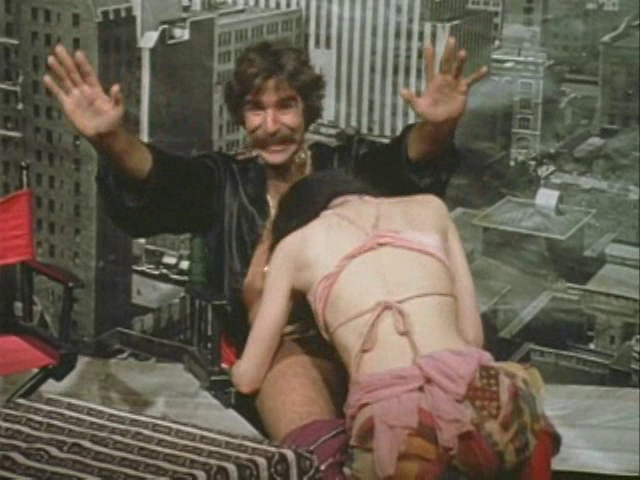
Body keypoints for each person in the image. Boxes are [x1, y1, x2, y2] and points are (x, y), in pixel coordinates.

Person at [43, 37, 488, 474]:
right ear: (241, 116)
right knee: (311, 446)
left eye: (286, 105)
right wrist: (112, 140)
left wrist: (437, 128)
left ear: (307, 109)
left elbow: (403, 163)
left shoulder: (348, 166)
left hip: (371, 335)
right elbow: (165, 181)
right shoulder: (223, 183)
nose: (271, 125)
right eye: (257, 109)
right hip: (282, 348)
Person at [231, 170, 561, 479]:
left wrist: (253, 302)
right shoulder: (430, 208)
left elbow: (248, 380)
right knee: (511, 419)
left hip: (400, 427)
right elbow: (473, 338)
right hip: (485, 396)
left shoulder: (292, 247)